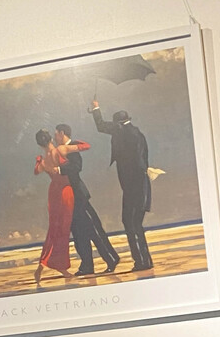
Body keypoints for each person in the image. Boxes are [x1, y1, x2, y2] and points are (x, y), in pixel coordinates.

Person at [90, 101, 154, 271]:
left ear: (118, 124)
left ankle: (141, 262)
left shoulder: (121, 131)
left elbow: (101, 126)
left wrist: (96, 108)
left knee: (130, 222)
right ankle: (145, 261)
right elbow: (143, 160)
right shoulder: (138, 133)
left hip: (132, 186)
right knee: (135, 223)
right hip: (141, 185)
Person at [53, 122, 119, 277]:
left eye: (56, 133)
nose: (55, 137)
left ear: (62, 133)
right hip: (71, 198)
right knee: (78, 232)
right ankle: (87, 265)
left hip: (78, 196)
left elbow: (77, 167)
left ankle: (110, 259)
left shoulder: (72, 147)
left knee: (92, 229)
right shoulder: (65, 148)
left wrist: (60, 169)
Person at [33, 130, 90, 285]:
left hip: (53, 193)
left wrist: (39, 161)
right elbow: (86, 146)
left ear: (40, 144)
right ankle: (59, 266)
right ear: (51, 139)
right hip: (65, 191)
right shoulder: (61, 150)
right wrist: (70, 142)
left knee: (54, 229)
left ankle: (44, 264)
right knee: (63, 230)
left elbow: (36, 171)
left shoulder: (44, 160)